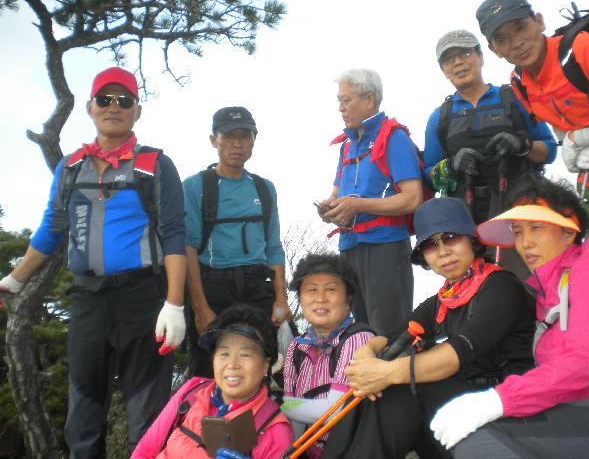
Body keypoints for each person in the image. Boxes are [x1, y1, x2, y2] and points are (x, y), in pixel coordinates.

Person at [0, 67, 187, 457]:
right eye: (105, 99)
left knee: (147, 416)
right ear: (90, 107)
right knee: (82, 417)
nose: (113, 107)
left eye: (124, 100)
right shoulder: (70, 168)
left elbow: (173, 234)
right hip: (87, 300)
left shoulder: (155, 164)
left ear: (137, 111)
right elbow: (51, 229)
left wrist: (174, 304)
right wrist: (13, 281)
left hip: (143, 299)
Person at [430, 176, 589, 458]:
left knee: (480, 440)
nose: (525, 243)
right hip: (587, 400)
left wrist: (498, 400)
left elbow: (582, 361)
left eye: (537, 228)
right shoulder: (545, 288)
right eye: (518, 232)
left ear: (568, 232)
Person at [321, 197, 535, 459]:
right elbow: (390, 337)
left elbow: (456, 355)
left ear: (471, 240)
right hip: (460, 409)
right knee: (372, 390)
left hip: (507, 411)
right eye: (431, 245)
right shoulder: (442, 299)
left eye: (451, 237)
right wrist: (366, 355)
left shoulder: (500, 286)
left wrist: (386, 373)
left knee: (404, 384)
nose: (443, 251)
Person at [475, 0, 589, 241]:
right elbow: (560, 128)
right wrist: (574, 152)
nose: (516, 43)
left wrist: (576, 141)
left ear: (539, 21)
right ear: (494, 50)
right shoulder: (519, 81)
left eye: (521, 27)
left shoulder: (583, 48)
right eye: (502, 39)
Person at [424, 29, 557, 279]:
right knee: (474, 286)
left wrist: (522, 145)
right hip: (466, 217)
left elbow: (549, 150)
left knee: (527, 282)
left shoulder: (513, 99)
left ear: (481, 57)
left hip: (518, 208)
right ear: (443, 70)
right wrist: (451, 166)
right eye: (449, 59)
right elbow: (429, 173)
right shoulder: (439, 118)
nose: (458, 62)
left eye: (465, 54)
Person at [183, 106, 289, 378]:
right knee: (207, 372)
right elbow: (188, 248)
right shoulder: (195, 186)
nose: (238, 144)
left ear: (254, 140)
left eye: (245, 136)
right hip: (212, 286)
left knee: (269, 366)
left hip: (257, 286)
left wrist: (281, 298)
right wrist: (200, 307)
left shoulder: (264, 188)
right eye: (229, 136)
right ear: (214, 140)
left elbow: (274, 247)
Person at [318, 68, 423, 335]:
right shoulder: (347, 145)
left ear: (369, 99)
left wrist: (358, 205)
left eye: (346, 100)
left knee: (388, 333)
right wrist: (328, 209)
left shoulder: (395, 138)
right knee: (360, 332)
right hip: (349, 246)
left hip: (385, 245)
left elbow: (412, 198)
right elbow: (336, 195)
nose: (341, 108)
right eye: (339, 101)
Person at [133, 304, 293, 459]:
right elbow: (146, 450)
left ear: (265, 366)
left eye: (245, 354)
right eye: (224, 353)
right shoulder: (192, 392)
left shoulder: (275, 431)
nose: (232, 364)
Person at [281, 253, 375, 458]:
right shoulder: (297, 346)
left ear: (348, 300)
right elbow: (291, 411)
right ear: (301, 299)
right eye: (311, 290)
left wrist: (281, 406)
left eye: (331, 289)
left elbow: (333, 412)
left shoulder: (358, 338)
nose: (320, 298)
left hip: (351, 451)